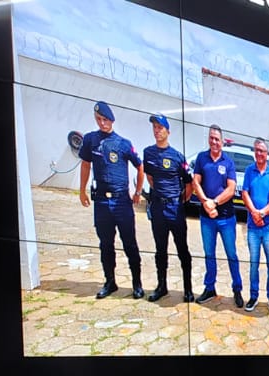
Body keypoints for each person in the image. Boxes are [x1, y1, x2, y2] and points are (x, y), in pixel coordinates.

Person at [77, 100, 144, 300]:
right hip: (101, 202)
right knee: (106, 244)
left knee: (129, 243)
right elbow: (85, 165)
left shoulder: (123, 144)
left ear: (112, 120)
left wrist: (138, 192)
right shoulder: (90, 140)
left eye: (105, 119)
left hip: (121, 201)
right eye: (99, 119)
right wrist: (82, 190)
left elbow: (139, 166)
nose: (102, 123)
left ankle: (137, 284)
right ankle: (110, 282)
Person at [140, 113, 194, 303]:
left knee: (182, 250)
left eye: (160, 128)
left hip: (175, 208)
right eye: (154, 128)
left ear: (168, 131)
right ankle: (161, 286)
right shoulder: (148, 153)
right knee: (160, 249)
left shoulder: (178, 157)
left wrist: (179, 201)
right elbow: (150, 178)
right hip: (158, 208)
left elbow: (189, 183)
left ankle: (188, 289)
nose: (157, 131)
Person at [191, 124, 244, 306]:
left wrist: (214, 203)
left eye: (217, 139)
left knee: (231, 254)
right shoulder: (201, 158)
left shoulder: (228, 162)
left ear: (222, 142)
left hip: (226, 218)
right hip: (207, 218)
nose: (214, 142)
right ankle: (209, 288)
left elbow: (231, 189)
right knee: (209, 254)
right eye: (211, 138)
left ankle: (237, 289)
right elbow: (196, 182)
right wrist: (206, 202)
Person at [239, 138, 269, 313]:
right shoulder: (249, 171)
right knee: (253, 264)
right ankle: (253, 296)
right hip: (253, 227)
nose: (259, 153)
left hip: (268, 227)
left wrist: (261, 213)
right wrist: (254, 213)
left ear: (267, 153)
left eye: (262, 150)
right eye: (256, 150)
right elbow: (245, 193)